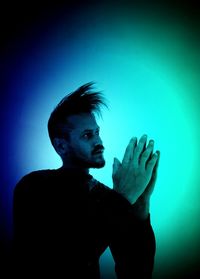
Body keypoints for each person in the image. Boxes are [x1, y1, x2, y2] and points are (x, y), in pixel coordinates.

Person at [12, 82, 160, 279]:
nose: (99, 142)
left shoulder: (108, 197)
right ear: (61, 146)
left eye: (97, 132)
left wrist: (141, 207)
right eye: (87, 135)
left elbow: (136, 272)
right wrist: (123, 197)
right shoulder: (34, 186)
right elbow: (61, 259)